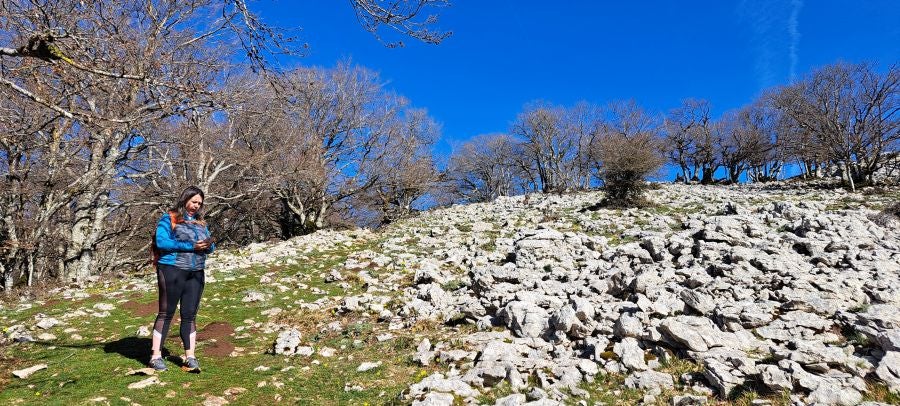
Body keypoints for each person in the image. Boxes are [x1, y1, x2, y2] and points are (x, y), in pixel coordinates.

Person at [149, 186, 215, 372]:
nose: (196, 206)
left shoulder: (201, 223)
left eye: (199, 203)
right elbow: (162, 242)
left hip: (196, 271)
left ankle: (190, 357)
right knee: (166, 312)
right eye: (194, 201)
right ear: (185, 199)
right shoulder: (169, 218)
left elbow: (211, 246)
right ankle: (155, 356)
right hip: (172, 269)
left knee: (190, 314)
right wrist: (191, 246)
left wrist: (208, 246)